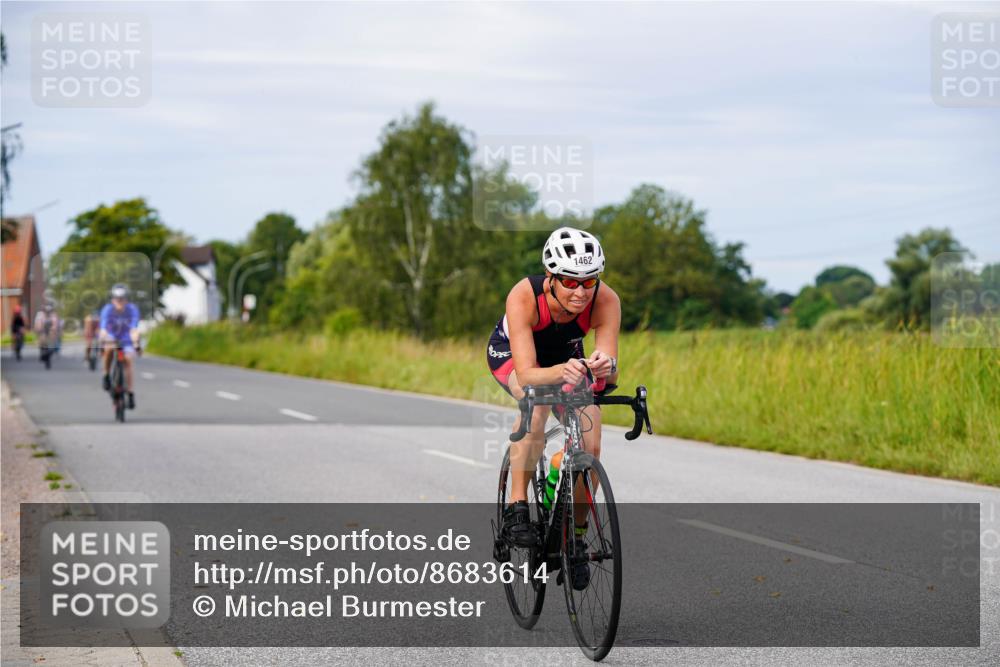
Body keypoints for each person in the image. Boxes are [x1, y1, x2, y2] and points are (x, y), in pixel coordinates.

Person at [487, 227, 622, 589]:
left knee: (591, 441)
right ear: (550, 277)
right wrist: (563, 372)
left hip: (568, 358)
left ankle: (574, 537)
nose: (580, 292)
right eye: (570, 281)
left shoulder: (606, 300)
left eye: (589, 281)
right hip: (515, 357)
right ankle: (517, 507)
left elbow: (610, 371)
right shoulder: (524, 295)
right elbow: (528, 373)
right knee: (536, 402)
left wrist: (605, 366)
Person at [100, 284, 141, 409]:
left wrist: (136, 344)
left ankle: (130, 393)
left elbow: (134, 329)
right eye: (117, 299)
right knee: (109, 349)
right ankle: (106, 374)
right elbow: (104, 329)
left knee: (128, 360)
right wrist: (103, 340)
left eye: (122, 299)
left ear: (126, 299)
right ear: (112, 299)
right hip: (112, 337)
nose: (119, 301)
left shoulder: (132, 309)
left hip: (126, 339)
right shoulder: (108, 309)